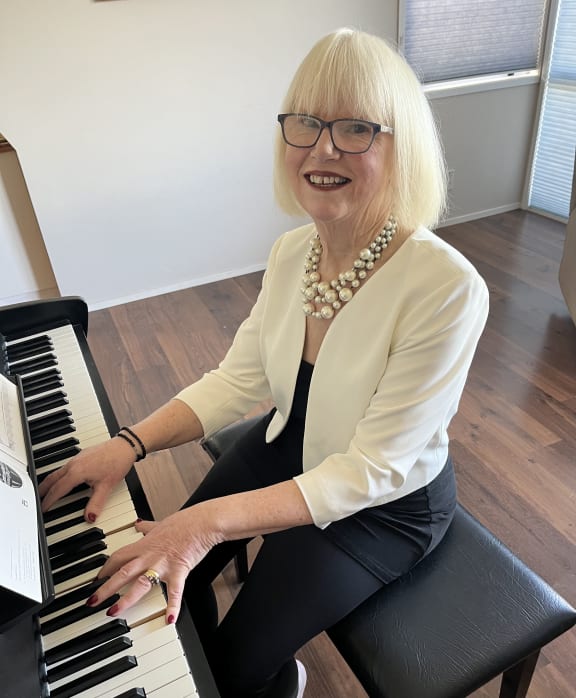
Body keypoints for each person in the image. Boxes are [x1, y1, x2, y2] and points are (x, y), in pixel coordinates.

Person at [39, 27, 489, 698]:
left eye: (356, 128)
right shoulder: (292, 254)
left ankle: (282, 682)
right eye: (305, 123)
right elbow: (237, 381)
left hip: (384, 505)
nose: (322, 148)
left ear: (404, 148)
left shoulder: (447, 287)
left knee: (232, 665)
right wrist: (128, 444)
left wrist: (200, 523)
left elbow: (371, 469)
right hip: (293, 442)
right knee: (155, 582)